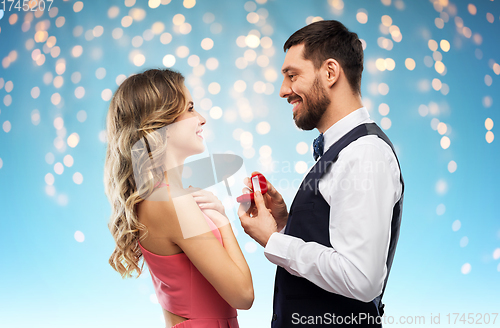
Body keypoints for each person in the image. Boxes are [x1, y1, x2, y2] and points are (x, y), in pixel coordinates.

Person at [238, 20, 404, 327]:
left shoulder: (364, 153)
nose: (283, 91)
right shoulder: (344, 150)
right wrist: (287, 224)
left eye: (292, 75)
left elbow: (361, 278)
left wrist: (274, 240)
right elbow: (332, 245)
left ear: (330, 72)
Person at [104, 68, 253, 328]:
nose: (202, 119)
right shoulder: (172, 200)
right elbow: (243, 294)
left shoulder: (158, 197)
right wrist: (224, 223)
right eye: (191, 109)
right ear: (162, 123)